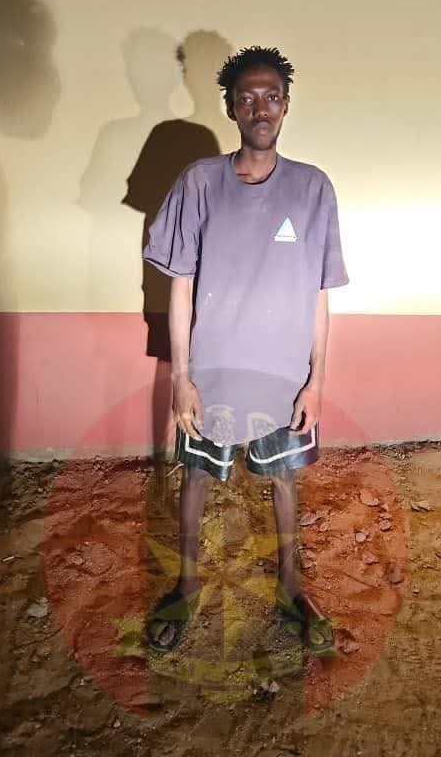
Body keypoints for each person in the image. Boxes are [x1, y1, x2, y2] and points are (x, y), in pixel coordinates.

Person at [142, 45, 349, 656]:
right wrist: (182, 377)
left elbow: (319, 293)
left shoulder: (313, 188)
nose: (261, 109)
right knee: (196, 478)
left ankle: (289, 587)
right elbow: (180, 284)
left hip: (282, 377)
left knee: (284, 479)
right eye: (247, 98)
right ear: (231, 107)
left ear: (286, 105)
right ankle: (186, 584)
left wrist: (315, 381)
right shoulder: (199, 182)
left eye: (272, 97)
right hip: (211, 373)